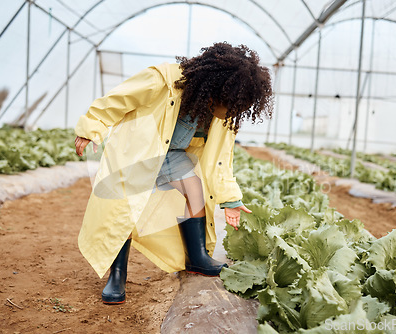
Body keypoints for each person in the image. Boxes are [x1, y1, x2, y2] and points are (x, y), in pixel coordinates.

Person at [74, 42, 273, 304]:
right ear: (214, 89)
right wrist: (91, 127)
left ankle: (197, 257)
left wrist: (231, 200)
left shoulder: (226, 114)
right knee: (123, 209)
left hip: (174, 155)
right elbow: (118, 99)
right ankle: (118, 274)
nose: (233, 112)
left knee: (195, 190)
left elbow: (223, 160)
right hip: (139, 152)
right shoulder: (162, 80)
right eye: (231, 104)